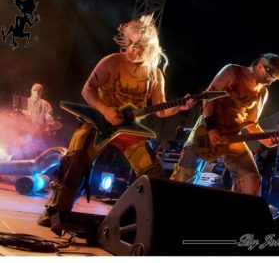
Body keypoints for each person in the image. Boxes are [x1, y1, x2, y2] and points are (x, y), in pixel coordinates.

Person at [37, 14, 194, 227]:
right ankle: (56, 209)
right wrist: (105, 109)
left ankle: (148, 223)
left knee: (152, 172)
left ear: (149, 48)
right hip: (99, 123)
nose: (131, 49)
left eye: (137, 45)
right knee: (76, 157)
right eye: (129, 43)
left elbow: (161, 110)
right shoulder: (112, 61)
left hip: (129, 130)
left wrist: (179, 106)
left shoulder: (155, 75)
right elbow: (87, 90)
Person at [170, 53, 279, 197]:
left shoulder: (263, 92)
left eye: (273, 79)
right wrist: (212, 129)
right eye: (268, 75)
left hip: (232, 136)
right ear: (260, 66)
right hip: (206, 128)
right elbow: (208, 98)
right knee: (184, 173)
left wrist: (269, 142)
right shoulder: (232, 71)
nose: (269, 81)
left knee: (251, 178)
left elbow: (251, 123)